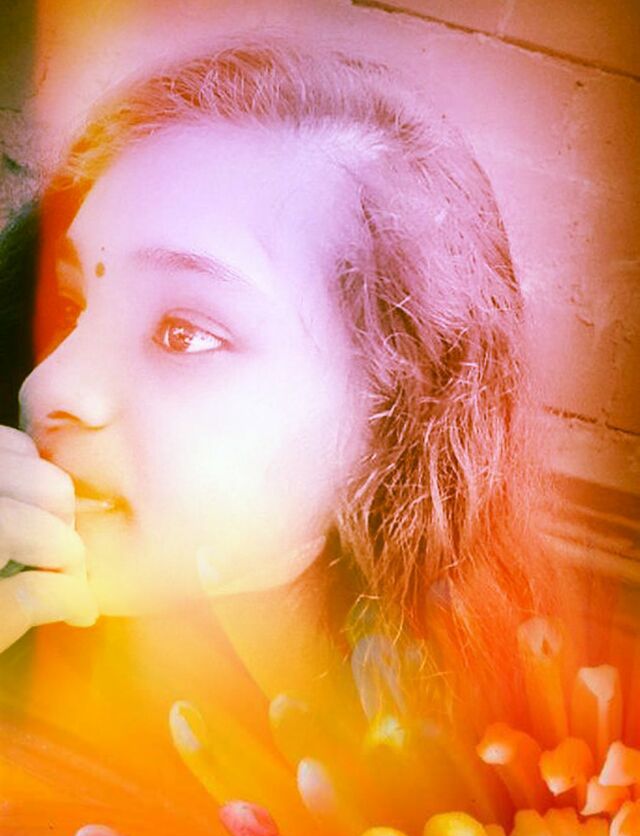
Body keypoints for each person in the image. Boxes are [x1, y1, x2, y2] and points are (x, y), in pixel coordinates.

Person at [0, 36, 548, 760]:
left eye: (183, 334)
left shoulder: (482, 798)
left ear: (387, 428)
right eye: (70, 308)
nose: (48, 387)